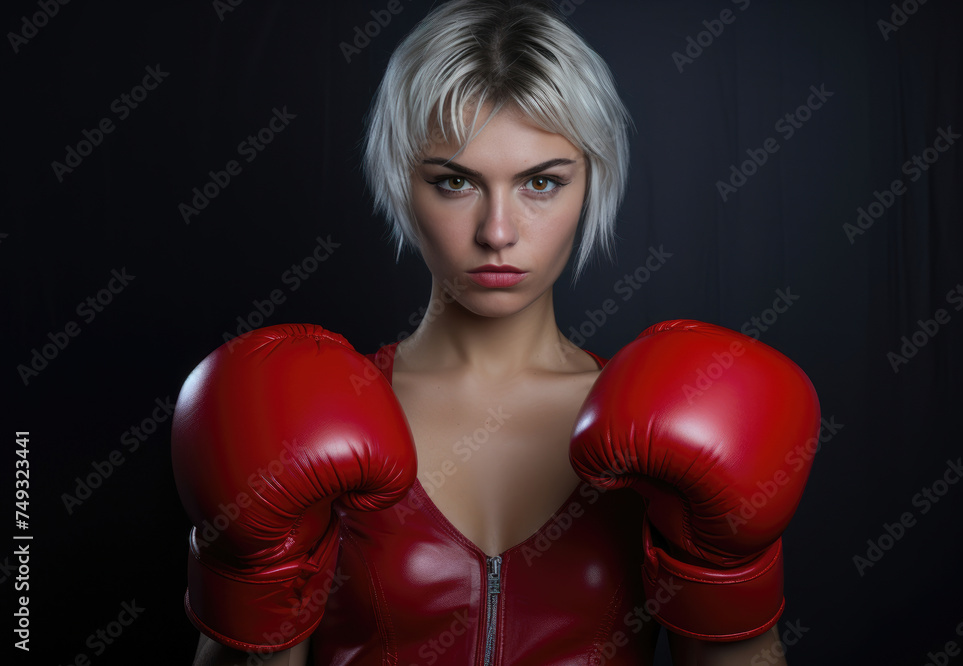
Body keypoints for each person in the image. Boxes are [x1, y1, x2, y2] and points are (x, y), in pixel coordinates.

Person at [171, 1, 821, 664]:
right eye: (454, 181)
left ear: (591, 181)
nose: (498, 232)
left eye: (542, 182)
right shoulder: (306, 410)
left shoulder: (670, 417)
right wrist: (247, 573)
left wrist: (730, 569)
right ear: (401, 180)